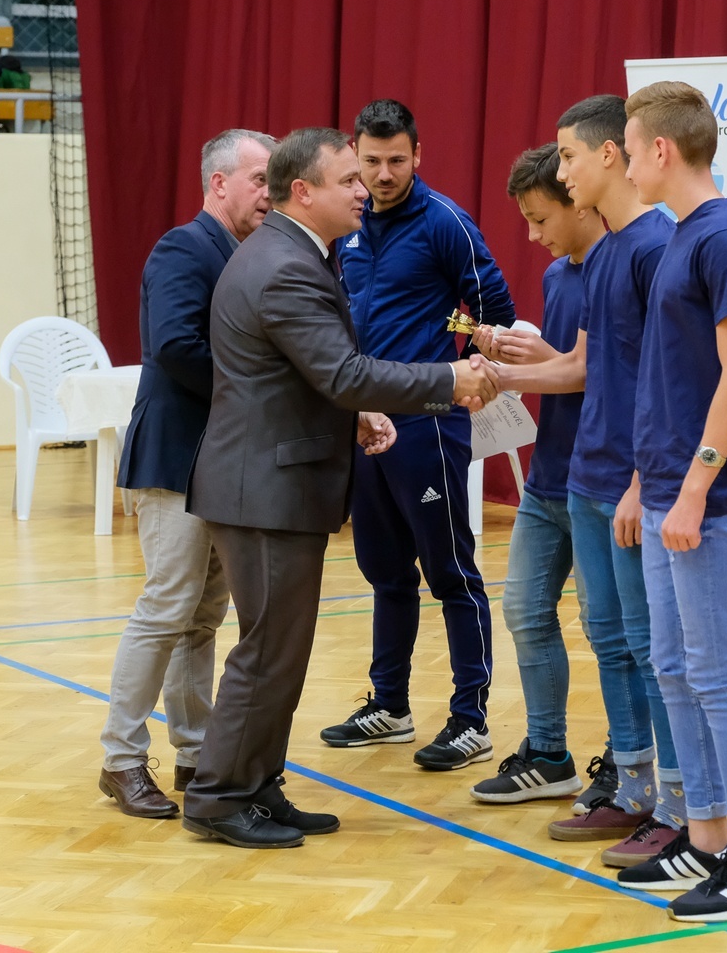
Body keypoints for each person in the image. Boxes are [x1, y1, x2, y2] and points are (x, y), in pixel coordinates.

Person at [182, 127, 499, 849]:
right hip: (263, 489)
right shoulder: (285, 266)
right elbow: (344, 373)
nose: (365, 190)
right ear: (304, 192)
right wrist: (449, 379)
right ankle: (220, 795)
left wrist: (352, 415)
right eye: (349, 179)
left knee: (282, 649)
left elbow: (301, 375)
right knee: (268, 650)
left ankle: (257, 785)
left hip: (271, 480)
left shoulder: (294, 252)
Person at [485, 96, 685, 862]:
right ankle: (632, 788)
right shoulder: (600, 257)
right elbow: (583, 365)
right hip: (584, 478)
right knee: (609, 637)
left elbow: (667, 382)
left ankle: (679, 805)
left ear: (609, 155)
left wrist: (641, 479)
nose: (561, 171)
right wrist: (496, 375)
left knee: (648, 646)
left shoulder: (655, 248)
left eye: (567, 156)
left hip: (628, 485)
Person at [611, 81, 727, 923]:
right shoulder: (680, 236)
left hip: (703, 502)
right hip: (663, 491)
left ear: (661, 150)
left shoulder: (722, 238)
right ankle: (709, 838)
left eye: (628, 149)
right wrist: (645, 483)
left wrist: (691, 491)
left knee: (716, 673)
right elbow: (671, 378)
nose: (623, 165)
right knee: (674, 668)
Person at [319, 99, 516, 773]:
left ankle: (472, 720)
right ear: (355, 157)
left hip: (428, 424)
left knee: (451, 572)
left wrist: (452, 366)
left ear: (417, 156)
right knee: (384, 572)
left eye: (396, 161)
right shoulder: (346, 225)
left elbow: (493, 312)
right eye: (371, 162)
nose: (383, 174)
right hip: (363, 423)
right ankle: (390, 705)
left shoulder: (444, 222)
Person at [99, 129, 278, 820]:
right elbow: (175, 346)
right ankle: (121, 759)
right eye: (259, 179)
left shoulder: (242, 252)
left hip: (223, 461)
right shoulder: (182, 248)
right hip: (176, 456)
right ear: (218, 182)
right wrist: (259, 392)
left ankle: (196, 751)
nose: (269, 193)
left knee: (202, 616)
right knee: (167, 607)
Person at [466, 145, 608, 809]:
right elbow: (565, 372)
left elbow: (594, 373)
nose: (532, 235)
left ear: (578, 198)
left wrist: (514, 370)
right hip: (550, 474)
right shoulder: (557, 276)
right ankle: (549, 754)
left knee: (611, 632)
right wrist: (509, 361)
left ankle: (629, 763)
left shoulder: (620, 265)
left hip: (601, 478)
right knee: (524, 610)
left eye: (540, 218)